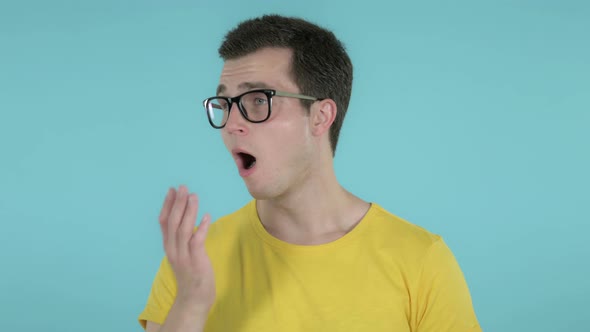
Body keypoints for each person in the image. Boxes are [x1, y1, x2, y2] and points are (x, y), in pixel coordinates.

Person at [138, 14, 481, 332]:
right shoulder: (194, 258)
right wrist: (192, 301)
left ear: (320, 116)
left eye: (258, 100)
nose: (231, 123)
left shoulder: (422, 261)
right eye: (225, 103)